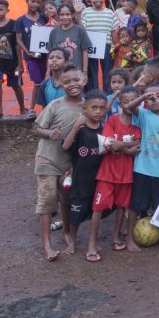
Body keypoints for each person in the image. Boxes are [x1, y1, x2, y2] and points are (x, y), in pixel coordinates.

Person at [33, 66, 87, 262]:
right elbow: (37, 128)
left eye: (76, 80)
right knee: (47, 201)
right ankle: (46, 244)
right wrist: (49, 133)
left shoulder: (90, 106)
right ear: (60, 84)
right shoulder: (55, 105)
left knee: (67, 200)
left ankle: (66, 232)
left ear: (85, 79)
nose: (72, 85)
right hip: (47, 159)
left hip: (70, 164)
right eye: (66, 82)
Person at [123, 84, 159, 251]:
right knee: (135, 205)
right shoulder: (144, 115)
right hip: (141, 169)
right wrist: (143, 98)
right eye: (150, 97)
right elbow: (129, 107)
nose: (154, 100)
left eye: (158, 96)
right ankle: (129, 238)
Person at [61, 89, 109, 262]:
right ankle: (72, 240)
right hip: (81, 179)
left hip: (100, 178)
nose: (98, 111)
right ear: (85, 108)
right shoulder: (80, 130)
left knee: (96, 211)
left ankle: (93, 241)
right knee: (76, 214)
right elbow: (66, 147)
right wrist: (75, 126)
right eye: (93, 107)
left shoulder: (105, 129)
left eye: (101, 108)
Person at [0, 0, 26, 120]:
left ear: (7, 10)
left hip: (12, 61)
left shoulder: (13, 24)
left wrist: (20, 64)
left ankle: (22, 108)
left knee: (16, 86)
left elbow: (18, 46)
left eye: (0, 9)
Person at [14, 0, 46, 119]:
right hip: (30, 57)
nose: (35, 4)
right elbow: (18, 40)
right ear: (27, 1)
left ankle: (46, 108)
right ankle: (32, 108)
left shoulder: (44, 18)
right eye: (32, 1)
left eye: (38, 2)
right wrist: (27, 53)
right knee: (37, 83)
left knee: (47, 82)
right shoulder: (21, 20)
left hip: (45, 56)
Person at [81, 0, 117, 90]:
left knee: (107, 70)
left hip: (106, 45)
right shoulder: (86, 12)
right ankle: (94, 92)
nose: (97, 0)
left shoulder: (109, 13)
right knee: (92, 70)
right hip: (91, 46)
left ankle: (107, 93)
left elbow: (114, 31)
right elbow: (83, 28)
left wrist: (115, 47)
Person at [48, 4, 93, 71]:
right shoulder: (54, 32)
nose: (65, 17)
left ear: (73, 15)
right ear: (58, 15)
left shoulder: (80, 30)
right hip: (59, 71)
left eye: (68, 14)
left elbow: (85, 51)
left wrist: (85, 71)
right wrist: (48, 72)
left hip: (76, 70)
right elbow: (50, 54)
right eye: (62, 14)